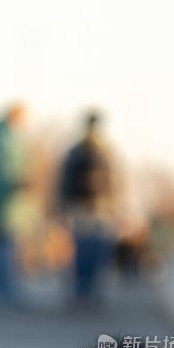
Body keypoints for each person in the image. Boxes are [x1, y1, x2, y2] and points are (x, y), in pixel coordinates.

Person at [58, 111, 118, 301]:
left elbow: (113, 181)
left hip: (93, 207)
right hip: (88, 207)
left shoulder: (83, 151)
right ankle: (85, 287)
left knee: (91, 248)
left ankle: (86, 287)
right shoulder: (96, 151)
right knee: (88, 248)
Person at [0, 104, 31, 305]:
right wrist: (18, 182)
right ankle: (4, 288)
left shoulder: (4, 138)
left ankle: (2, 286)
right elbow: (7, 171)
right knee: (5, 246)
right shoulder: (6, 140)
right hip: (6, 203)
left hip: (5, 202)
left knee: (4, 245)